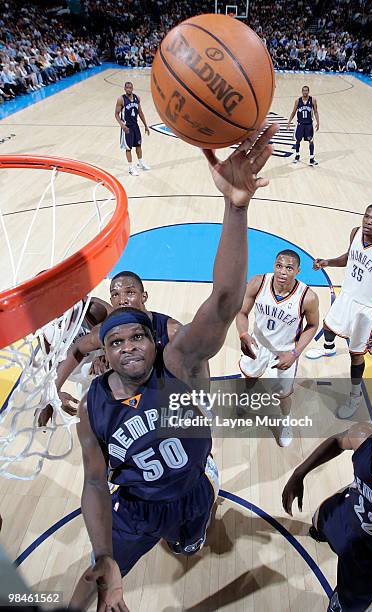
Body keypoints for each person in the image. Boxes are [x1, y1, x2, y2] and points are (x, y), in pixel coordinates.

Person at [69, 123, 277, 611]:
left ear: (150, 335)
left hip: (193, 486)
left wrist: (236, 206)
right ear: (105, 352)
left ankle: (188, 536)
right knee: (96, 580)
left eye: (137, 335)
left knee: (190, 545)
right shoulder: (93, 407)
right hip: (137, 509)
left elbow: (225, 300)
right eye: (115, 341)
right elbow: (96, 483)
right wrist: (104, 554)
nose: (129, 346)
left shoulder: (178, 362)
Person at [282, 415, 372, 612]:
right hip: (351, 510)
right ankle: (323, 533)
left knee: (348, 605)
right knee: (321, 519)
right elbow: (337, 441)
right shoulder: (365, 438)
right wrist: (299, 473)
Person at [38, 271, 181, 426]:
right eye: (115, 295)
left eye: (130, 292)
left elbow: (196, 363)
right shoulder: (104, 332)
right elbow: (75, 350)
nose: (122, 300)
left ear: (144, 296)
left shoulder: (171, 330)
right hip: (103, 377)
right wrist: (50, 394)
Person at [306, 203, 372, 419]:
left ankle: (354, 394)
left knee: (356, 354)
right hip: (347, 297)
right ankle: (329, 348)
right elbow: (349, 258)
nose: (369, 221)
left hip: (368, 309)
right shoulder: (356, 233)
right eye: (367, 216)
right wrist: (328, 262)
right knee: (328, 326)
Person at [236, 250, 319, 446]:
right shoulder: (258, 282)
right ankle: (247, 398)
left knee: (283, 395)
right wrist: (243, 334)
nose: (282, 271)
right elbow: (241, 313)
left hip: (285, 352)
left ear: (298, 271)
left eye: (289, 268)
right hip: (258, 343)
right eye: (279, 266)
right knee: (249, 376)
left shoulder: (307, 297)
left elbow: (313, 326)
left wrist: (295, 353)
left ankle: (285, 421)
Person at [115, 81, 150, 176]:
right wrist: (122, 125)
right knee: (128, 148)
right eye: (127, 88)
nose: (129, 89)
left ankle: (141, 163)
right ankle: (131, 168)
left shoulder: (137, 98)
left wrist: (146, 125)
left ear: (132, 88)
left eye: (130, 88)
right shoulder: (121, 99)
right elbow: (116, 114)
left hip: (135, 126)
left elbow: (140, 112)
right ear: (124, 88)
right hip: (127, 127)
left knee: (138, 145)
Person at [287, 85, 319, 166]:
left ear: (308, 91)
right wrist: (289, 121)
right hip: (300, 124)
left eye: (306, 90)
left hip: (308, 125)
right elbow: (294, 112)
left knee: (310, 140)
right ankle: (297, 156)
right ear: (302, 92)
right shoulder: (298, 101)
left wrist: (318, 122)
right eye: (304, 90)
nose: (305, 92)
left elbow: (315, 111)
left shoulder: (313, 100)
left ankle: (312, 159)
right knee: (298, 140)